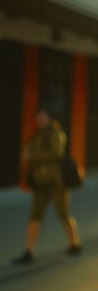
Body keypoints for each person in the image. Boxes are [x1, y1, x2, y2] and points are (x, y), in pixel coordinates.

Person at [11, 110, 82, 265]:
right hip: (40, 182)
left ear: (49, 118)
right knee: (34, 216)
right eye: (38, 118)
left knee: (63, 214)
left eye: (42, 118)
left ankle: (74, 243)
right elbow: (26, 152)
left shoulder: (56, 133)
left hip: (57, 182)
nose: (40, 121)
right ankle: (29, 250)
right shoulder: (36, 136)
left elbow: (56, 153)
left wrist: (32, 156)